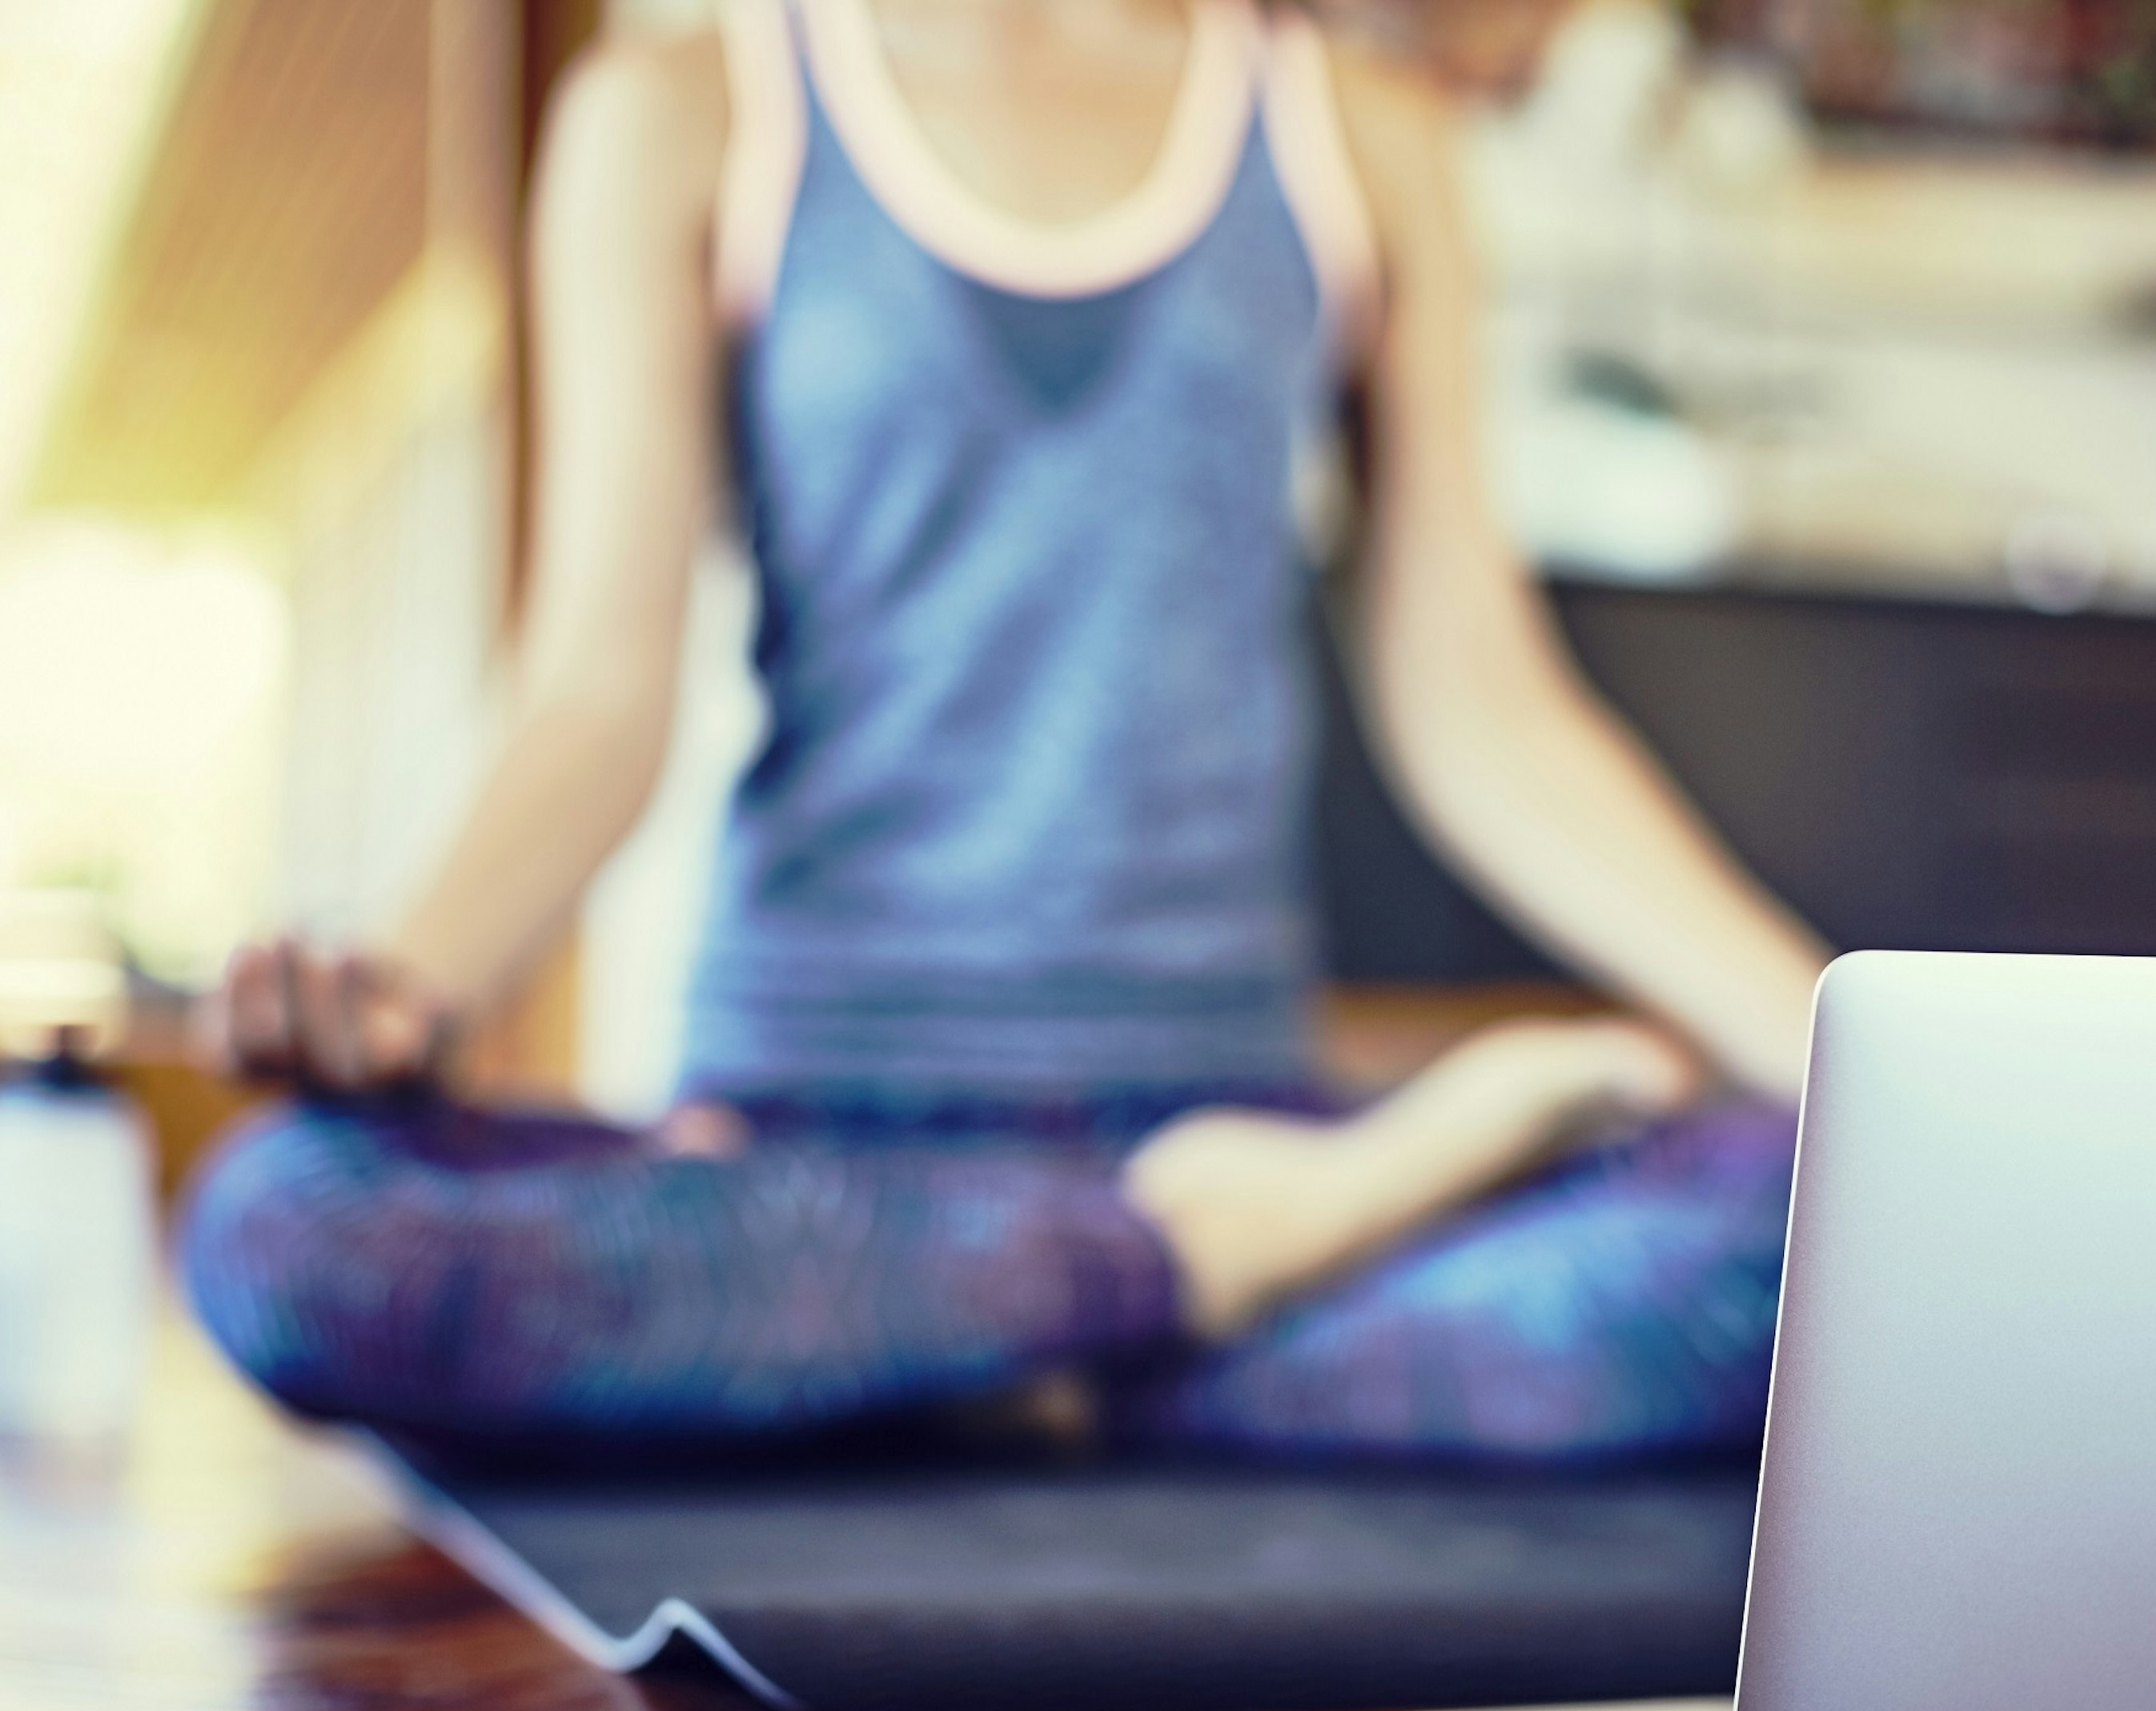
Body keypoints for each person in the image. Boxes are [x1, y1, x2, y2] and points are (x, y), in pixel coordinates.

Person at [183, 0, 1829, 1461]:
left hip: (1221, 1115)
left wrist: (1858, 1067)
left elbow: (1485, 706)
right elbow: (595, 692)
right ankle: (1191, 1285)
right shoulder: (683, 109)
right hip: (810, 1147)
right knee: (292, 1235)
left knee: (1795, 1247)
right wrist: (399, 991)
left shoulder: (1358, 130)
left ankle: (943, 1359)